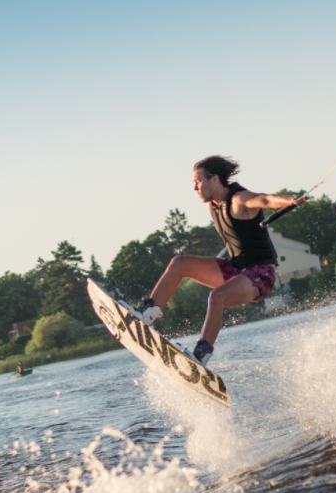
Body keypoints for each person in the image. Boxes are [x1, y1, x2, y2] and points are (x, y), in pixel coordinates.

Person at [128, 155, 305, 365]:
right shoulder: (212, 204)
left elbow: (265, 199)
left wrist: (290, 200)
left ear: (214, 179)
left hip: (260, 275)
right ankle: (147, 313)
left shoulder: (239, 199)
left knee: (216, 297)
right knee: (179, 262)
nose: (195, 188)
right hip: (236, 269)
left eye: (198, 181)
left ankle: (201, 355)